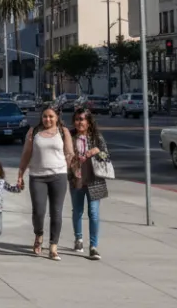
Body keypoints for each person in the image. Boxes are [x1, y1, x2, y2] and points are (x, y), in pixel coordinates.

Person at [16, 106, 74, 260]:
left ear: (57, 117)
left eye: (51, 116)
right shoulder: (34, 132)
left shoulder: (63, 132)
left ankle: (53, 246)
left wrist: (71, 170)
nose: (47, 119)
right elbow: (26, 153)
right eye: (45, 116)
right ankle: (39, 235)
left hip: (58, 176)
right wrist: (21, 173)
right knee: (39, 211)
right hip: (37, 176)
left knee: (56, 212)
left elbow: (69, 154)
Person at [69, 108, 110, 260]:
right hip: (76, 178)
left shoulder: (96, 136)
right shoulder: (70, 136)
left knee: (93, 212)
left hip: (95, 179)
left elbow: (106, 154)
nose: (79, 122)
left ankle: (93, 246)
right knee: (77, 211)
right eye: (77, 119)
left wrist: (95, 151)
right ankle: (78, 239)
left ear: (88, 121)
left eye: (82, 119)